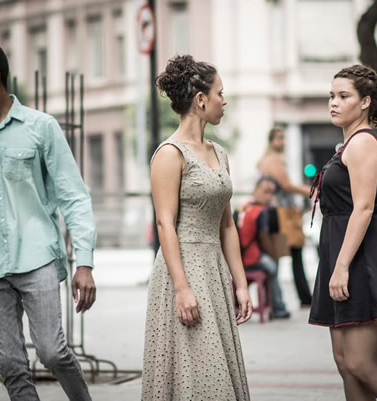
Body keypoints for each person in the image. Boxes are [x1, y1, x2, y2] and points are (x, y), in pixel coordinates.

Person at [0, 42, 96, 401]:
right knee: (12, 366)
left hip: (38, 259)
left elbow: (74, 196)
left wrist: (85, 264)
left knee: (52, 352)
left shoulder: (41, 128)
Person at [142, 54, 252, 401]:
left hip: (214, 270)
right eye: (220, 93)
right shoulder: (169, 154)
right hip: (183, 269)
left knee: (216, 368)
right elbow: (164, 223)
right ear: (200, 100)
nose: (224, 100)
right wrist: (181, 288)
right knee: (191, 368)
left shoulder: (219, 152)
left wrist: (242, 283)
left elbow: (228, 226)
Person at [308, 64, 377, 401]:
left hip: (359, 258)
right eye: (331, 96)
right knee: (344, 361)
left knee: (362, 362)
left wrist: (341, 266)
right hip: (341, 252)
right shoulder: (347, 145)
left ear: (365, 102)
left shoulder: (363, 143)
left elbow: (364, 209)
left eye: (343, 96)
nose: (333, 103)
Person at [258, 126, 313, 306]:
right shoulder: (272, 160)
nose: (282, 142)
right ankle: (294, 299)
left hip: (282, 212)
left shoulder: (274, 160)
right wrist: (311, 191)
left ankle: (278, 302)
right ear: (271, 141)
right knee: (289, 255)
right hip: (281, 214)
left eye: (283, 138)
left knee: (281, 257)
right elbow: (287, 185)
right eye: (279, 138)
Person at [237, 177, 290, 319]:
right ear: (255, 191)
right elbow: (264, 238)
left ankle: (238, 303)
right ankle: (278, 308)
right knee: (273, 267)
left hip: (239, 257)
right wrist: (272, 255)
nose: (269, 196)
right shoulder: (262, 211)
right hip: (252, 257)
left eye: (271, 193)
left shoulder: (242, 208)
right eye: (266, 192)